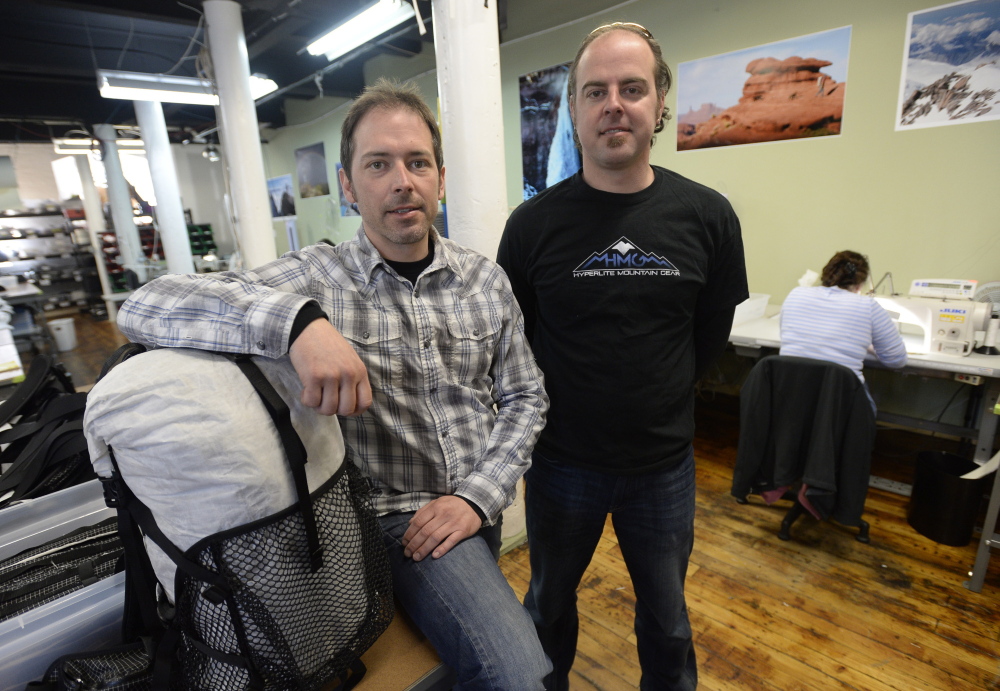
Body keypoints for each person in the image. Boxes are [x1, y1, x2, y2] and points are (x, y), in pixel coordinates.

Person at [117, 79, 551, 690]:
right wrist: (298, 323)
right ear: (348, 186)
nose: (402, 180)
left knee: (474, 658)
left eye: (417, 162)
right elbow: (147, 304)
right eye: (379, 164)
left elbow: (525, 395)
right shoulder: (316, 279)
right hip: (395, 518)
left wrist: (477, 496)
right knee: (519, 672)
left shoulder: (484, 280)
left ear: (440, 179)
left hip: (479, 509)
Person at [497, 22, 748, 691]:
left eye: (631, 88)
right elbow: (512, 341)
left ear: (659, 102)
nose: (614, 103)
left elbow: (710, 334)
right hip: (560, 466)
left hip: (661, 470)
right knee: (546, 607)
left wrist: (656, 398)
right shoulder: (531, 227)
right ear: (575, 110)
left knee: (667, 623)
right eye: (596, 91)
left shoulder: (709, 216)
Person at [779, 250, 907, 410]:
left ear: (826, 274)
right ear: (860, 284)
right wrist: (868, 347)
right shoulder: (868, 306)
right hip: (841, 403)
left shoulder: (795, 294)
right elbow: (897, 360)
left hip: (791, 397)